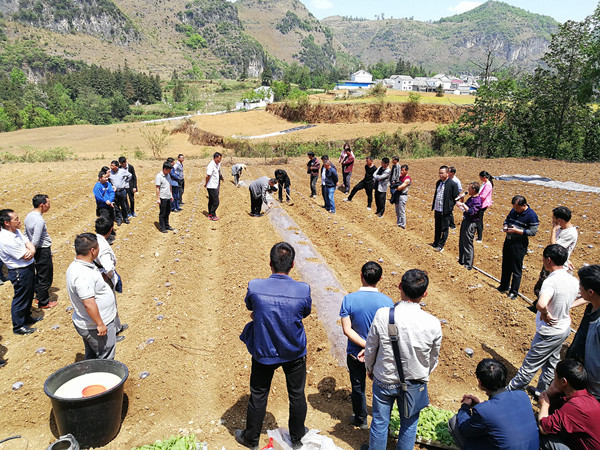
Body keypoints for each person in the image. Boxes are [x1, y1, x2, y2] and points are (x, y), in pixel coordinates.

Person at [236, 242, 312, 450]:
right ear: (292, 264)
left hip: (264, 350)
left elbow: (251, 307)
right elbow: (304, 313)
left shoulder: (255, 286)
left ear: (270, 262)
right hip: (293, 350)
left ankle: (250, 438)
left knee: (259, 394)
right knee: (296, 393)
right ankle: (297, 437)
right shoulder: (303, 290)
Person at [365, 269, 442, 450]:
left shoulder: (384, 315)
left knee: (380, 423)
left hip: (384, 379)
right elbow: (433, 357)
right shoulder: (432, 323)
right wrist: (422, 374)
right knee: (409, 426)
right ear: (425, 293)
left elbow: (371, 347)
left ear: (400, 286)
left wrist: (370, 368)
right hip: (415, 383)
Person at [508, 245, 579, 396]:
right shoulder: (572, 280)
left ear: (548, 260)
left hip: (549, 332)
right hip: (564, 329)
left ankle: (509, 393)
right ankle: (542, 392)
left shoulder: (550, 281)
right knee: (551, 363)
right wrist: (565, 308)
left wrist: (545, 312)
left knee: (529, 366)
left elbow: (541, 304)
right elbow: (583, 297)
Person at [339, 261, 393, 430]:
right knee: (381, 385)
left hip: (355, 353)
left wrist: (365, 345)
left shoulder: (349, 299)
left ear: (361, 276)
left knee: (358, 386)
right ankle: (381, 420)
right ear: (380, 278)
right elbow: (390, 332)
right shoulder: (388, 302)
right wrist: (372, 347)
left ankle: (360, 418)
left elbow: (347, 330)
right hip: (380, 353)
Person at [447, 358, 539, 450]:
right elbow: (504, 413)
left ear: (479, 382)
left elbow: (465, 430)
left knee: (454, 422)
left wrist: (465, 407)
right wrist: (481, 405)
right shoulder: (522, 395)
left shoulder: (483, 411)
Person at [66, 233, 118, 360]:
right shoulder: (83, 275)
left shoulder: (80, 265)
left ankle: (91, 372)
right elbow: (89, 303)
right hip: (94, 326)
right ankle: (103, 378)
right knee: (106, 357)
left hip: (91, 323)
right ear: (92, 250)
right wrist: (100, 323)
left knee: (92, 355)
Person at [538, 359, 600, 450]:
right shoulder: (588, 398)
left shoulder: (574, 406)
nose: (553, 380)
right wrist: (552, 392)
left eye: (555, 377)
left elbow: (543, 427)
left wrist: (544, 404)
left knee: (542, 436)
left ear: (564, 381)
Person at [0, 209, 38, 335]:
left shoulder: (16, 232)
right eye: (15, 219)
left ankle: (26, 317)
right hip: (19, 271)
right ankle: (18, 326)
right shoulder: (6, 239)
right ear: (7, 223)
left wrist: (30, 249)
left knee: (28, 294)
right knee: (21, 298)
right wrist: (31, 250)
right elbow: (26, 255)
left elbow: (29, 243)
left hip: (27, 268)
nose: (19, 220)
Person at [566, 265, 600, 400]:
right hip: (582, 363)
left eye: (581, 285)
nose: (579, 288)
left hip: (593, 384)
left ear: (591, 292)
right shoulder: (593, 306)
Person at [497, 195, 539, 299]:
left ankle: (513, 292)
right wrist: (506, 226)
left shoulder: (531, 215)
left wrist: (517, 230)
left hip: (519, 244)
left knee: (516, 268)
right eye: (514, 207)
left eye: (517, 208)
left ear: (524, 205)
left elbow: (533, 231)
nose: (515, 209)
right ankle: (503, 286)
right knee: (506, 265)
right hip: (508, 241)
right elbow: (507, 220)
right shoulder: (513, 211)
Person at [532, 206, 578, 301]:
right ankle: (537, 306)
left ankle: (543, 309)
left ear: (560, 220)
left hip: (556, 265)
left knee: (548, 288)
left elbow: (554, 246)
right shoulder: (561, 228)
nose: (552, 220)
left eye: (554, 218)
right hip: (550, 262)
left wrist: (553, 230)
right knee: (540, 287)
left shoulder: (570, 233)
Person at [94, 216, 128, 342]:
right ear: (110, 230)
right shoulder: (103, 247)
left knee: (112, 302)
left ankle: (118, 327)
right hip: (104, 279)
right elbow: (108, 267)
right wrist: (108, 275)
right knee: (109, 305)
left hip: (100, 275)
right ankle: (112, 334)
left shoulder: (95, 239)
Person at [25, 194, 56, 309]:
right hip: (42, 250)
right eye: (48, 204)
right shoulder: (39, 220)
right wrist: (33, 251)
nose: (49, 206)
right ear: (42, 205)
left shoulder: (28, 216)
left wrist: (28, 248)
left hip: (35, 250)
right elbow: (36, 240)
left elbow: (26, 234)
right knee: (45, 276)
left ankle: (38, 295)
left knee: (39, 273)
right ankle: (43, 302)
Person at [431, 165, 459, 252]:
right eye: (439, 173)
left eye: (442, 173)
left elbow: (455, 198)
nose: (440, 175)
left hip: (445, 210)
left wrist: (449, 207)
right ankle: (436, 242)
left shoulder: (452, 184)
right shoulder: (438, 182)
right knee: (437, 227)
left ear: (447, 173)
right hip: (437, 208)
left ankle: (441, 245)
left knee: (444, 228)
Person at [456, 182, 482, 270]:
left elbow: (471, 212)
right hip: (466, 221)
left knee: (468, 243)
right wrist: (461, 201)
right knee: (462, 241)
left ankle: (468, 264)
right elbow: (465, 210)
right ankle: (462, 260)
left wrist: (463, 204)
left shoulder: (477, 200)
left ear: (474, 190)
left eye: (469, 188)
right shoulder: (471, 198)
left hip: (471, 224)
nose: (468, 190)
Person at [108, 160, 132, 225]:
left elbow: (130, 175)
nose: (111, 167)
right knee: (116, 206)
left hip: (122, 191)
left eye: (113, 165)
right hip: (114, 192)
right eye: (111, 165)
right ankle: (119, 219)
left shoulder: (122, 171)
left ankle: (125, 218)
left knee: (123, 205)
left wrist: (125, 182)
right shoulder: (110, 173)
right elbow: (107, 179)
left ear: (117, 166)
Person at [390, 165, 411, 229]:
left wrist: (395, 186)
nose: (401, 172)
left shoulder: (407, 179)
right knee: (397, 210)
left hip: (402, 196)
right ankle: (398, 223)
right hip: (398, 195)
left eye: (403, 170)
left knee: (402, 211)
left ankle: (402, 225)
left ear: (407, 171)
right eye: (401, 170)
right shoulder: (401, 177)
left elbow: (400, 188)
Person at [155, 162, 174, 233]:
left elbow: (170, 185)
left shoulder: (168, 175)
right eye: (169, 169)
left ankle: (167, 225)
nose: (170, 171)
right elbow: (157, 188)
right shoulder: (159, 176)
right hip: (163, 197)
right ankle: (162, 227)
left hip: (168, 196)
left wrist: (171, 195)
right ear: (165, 169)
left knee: (168, 212)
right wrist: (158, 198)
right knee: (162, 213)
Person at [475, 171, 493, 243]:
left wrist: (476, 196)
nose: (480, 179)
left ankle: (480, 238)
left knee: (479, 220)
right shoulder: (484, 183)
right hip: (480, 203)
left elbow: (483, 196)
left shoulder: (488, 185)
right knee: (478, 220)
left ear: (485, 177)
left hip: (483, 204)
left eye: (481, 178)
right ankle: (478, 236)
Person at [205, 152, 223, 221]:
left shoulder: (217, 164)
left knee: (211, 201)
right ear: (215, 158)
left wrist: (221, 178)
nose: (220, 160)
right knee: (216, 202)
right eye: (219, 159)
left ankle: (210, 214)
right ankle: (212, 214)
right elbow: (208, 176)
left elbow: (218, 172)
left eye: (220, 159)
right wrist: (206, 184)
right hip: (212, 186)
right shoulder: (211, 165)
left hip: (215, 184)